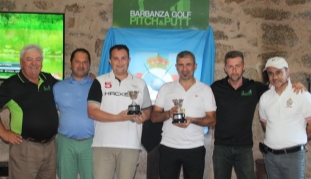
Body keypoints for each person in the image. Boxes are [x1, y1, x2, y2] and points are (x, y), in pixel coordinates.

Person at [211, 51, 306, 179]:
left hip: (244, 148)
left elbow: (277, 85)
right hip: (221, 148)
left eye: (237, 66)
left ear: (243, 67)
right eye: (230, 66)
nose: (234, 70)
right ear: (225, 68)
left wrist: (294, 84)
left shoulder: (254, 87)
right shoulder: (216, 88)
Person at [0, 44, 59, 179]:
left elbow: (68, 88)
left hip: (50, 147)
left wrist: (89, 78)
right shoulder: (12, 84)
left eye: (38, 59)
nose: (34, 63)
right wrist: (4, 133)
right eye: (29, 59)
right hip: (25, 149)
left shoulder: (48, 79)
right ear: (21, 62)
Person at [87, 44, 152, 179]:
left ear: (129, 60)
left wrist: (144, 116)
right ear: (110, 61)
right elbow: (92, 112)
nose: (120, 62)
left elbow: (147, 109)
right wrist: (118, 117)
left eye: (123, 58)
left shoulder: (140, 83)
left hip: (130, 145)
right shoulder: (99, 81)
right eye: (116, 58)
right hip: (103, 144)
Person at [151, 50, 216, 179]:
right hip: (168, 147)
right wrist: (168, 114)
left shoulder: (205, 90)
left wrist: (192, 120)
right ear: (176, 67)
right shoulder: (166, 88)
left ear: (195, 66)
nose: (184, 69)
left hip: (194, 148)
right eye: (181, 65)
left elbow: (212, 120)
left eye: (188, 64)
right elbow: (154, 117)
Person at [259, 57, 311, 179]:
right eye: (270, 73)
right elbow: (266, 125)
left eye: (278, 72)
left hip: (293, 157)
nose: (274, 77)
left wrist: (298, 140)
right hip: (270, 157)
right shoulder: (264, 98)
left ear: (287, 72)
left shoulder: (301, 94)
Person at [53, 48, 94, 179]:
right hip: (66, 143)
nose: (81, 65)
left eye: (85, 62)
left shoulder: (98, 86)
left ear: (89, 65)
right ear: (70, 63)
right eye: (77, 61)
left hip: (91, 143)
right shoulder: (58, 87)